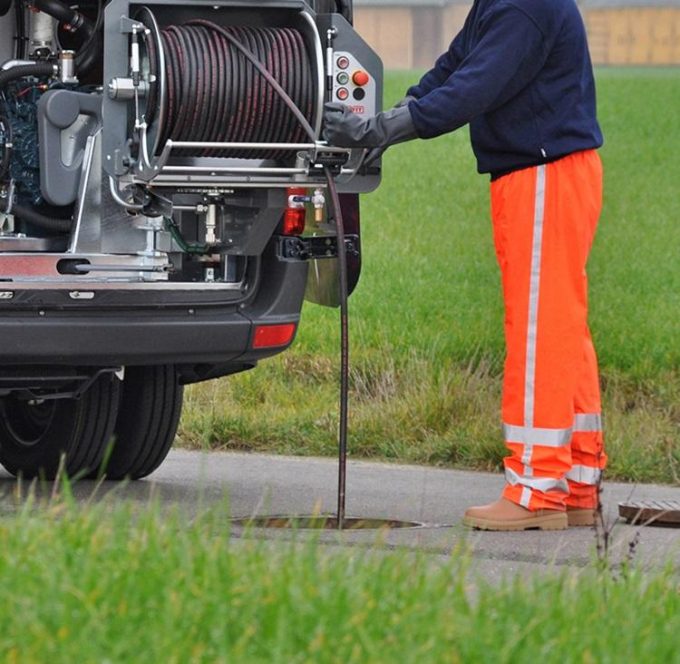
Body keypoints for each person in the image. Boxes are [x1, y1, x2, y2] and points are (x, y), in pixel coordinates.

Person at [324, 0, 606, 531]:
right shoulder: (501, 4)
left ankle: (535, 490)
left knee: (538, 333)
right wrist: (382, 124)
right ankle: (575, 484)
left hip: (544, 176)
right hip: (542, 174)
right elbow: (452, 67)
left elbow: (472, 87)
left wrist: (381, 130)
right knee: (560, 326)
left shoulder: (526, 7)